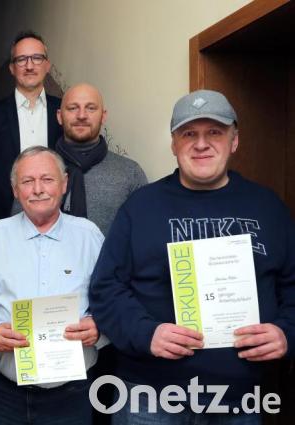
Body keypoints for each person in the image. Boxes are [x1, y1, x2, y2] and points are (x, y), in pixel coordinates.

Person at [89, 90, 295, 423]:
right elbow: (105, 288)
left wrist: (287, 332)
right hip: (149, 397)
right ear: (174, 144)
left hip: (239, 400)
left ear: (234, 140)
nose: (201, 144)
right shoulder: (140, 207)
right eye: (189, 134)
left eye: (214, 132)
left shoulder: (268, 208)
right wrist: (147, 333)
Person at [0, 146, 105, 424]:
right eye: (27, 181)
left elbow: (113, 299)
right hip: (3, 396)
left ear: (64, 183)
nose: (38, 189)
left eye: (47, 179)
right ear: (15, 189)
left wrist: (100, 327)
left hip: (73, 395)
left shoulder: (89, 236)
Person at [0, 31, 62, 222]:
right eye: (21, 59)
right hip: (4, 218)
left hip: (55, 217)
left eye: (37, 58)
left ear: (47, 65)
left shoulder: (62, 112)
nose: (29, 66)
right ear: (12, 68)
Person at [54, 83, 147, 235]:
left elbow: (145, 231)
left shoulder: (130, 172)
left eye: (91, 108)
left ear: (103, 116)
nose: (81, 115)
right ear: (59, 116)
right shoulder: (36, 170)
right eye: (72, 108)